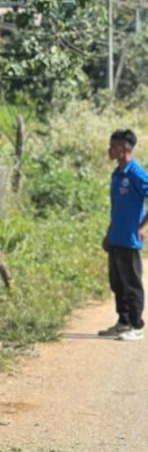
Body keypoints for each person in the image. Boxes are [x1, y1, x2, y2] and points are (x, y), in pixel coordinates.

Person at [98, 129, 148, 341]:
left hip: (129, 239)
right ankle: (123, 322)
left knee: (132, 284)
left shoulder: (136, 173)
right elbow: (117, 207)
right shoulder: (117, 174)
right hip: (116, 237)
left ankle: (137, 325)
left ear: (123, 149)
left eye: (113, 145)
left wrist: (143, 226)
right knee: (117, 283)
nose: (109, 150)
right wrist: (109, 233)